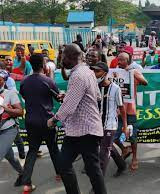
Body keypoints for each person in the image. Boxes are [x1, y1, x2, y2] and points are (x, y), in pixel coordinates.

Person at [47, 44, 107, 194]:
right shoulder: (87, 71)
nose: (61, 59)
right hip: (77, 130)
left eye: (63, 56)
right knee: (64, 164)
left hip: (86, 130)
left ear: (71, 56)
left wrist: (54, 120)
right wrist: (68, 96)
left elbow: (69, 107)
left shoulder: (79, 75)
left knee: (92, 169)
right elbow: (97, 97)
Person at [19, 54, 62, 192]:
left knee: (32, 151)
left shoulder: (25, 81)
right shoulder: (48, 81)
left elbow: (24, 96)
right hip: (47, 121)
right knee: (53, 149)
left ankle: (26, 184)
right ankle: (60, 174)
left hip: (31, 121)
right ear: (43, 65)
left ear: (30, 65)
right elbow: (58, 97)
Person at [90, 62, 128, 177]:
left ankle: (98, 185)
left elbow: (121, 108)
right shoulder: (93, 87)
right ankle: (122, 165)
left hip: (109, 125)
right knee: (108, 148)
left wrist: (125, 126)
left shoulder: (115, 89)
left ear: (105, 73)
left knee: (103, 153)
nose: (94, 74)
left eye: (97, 71)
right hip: (96, 125)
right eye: (93, 71)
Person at [113, 52, 148, 174]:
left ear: (128, 61)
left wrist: (132, 73)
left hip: (130, 110)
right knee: (114, 137)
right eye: (118, 59)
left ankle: (134, 157)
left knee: (132, 137)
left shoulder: (133, 71)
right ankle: (124, 149)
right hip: (117, 111)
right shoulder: (115, 72)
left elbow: (145, 82)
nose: (119, 61)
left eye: (122, 60)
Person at [0, 69, 24, 187]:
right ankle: (23, 174)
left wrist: (6, 109)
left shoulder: (10, 93)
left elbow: (20, 112)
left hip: (9, 128)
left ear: (3, 81)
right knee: (9, 156)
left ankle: (21, 147)